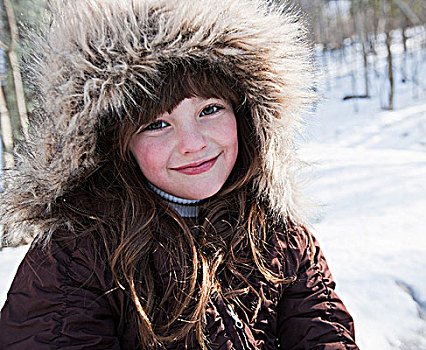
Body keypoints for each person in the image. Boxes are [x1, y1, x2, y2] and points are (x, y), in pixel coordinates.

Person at [0, 0, 359, 348]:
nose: (192, 143)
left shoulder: (280, 235)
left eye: (210, 109)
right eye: (157, 124)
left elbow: (322, 332)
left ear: (246, 115)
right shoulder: (76, 257)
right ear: (117, 144)